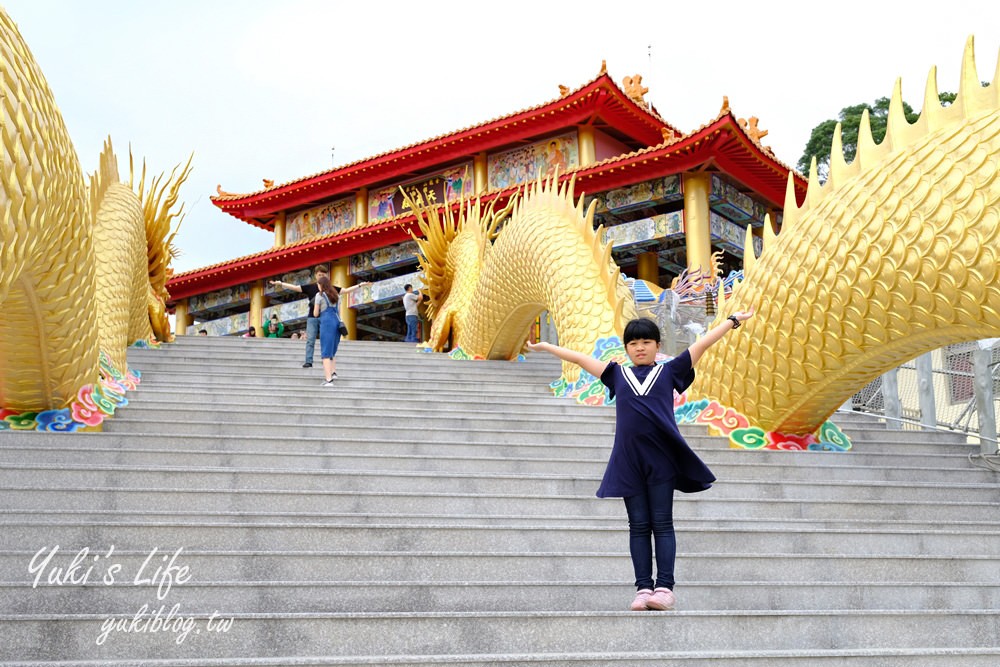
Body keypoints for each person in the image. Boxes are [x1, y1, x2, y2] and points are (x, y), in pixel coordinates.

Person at [526, 309, 754, 611]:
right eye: (633, 343)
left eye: (647, 341)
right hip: (628, 460)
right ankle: (643, 589)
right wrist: (545, 347)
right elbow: (580, 359)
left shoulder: (670, 370)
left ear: (657, 346)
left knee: (661, 523)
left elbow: (702, 344)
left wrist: (732, 321)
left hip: (661, 460)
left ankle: (665, 589)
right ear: (626, 348)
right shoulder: (617, 374)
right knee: (637, 525)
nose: (640, 347)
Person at [312, 276, 366, 385]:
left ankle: (328, 380)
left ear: (321, 285)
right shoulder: (336, 295)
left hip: (326, 323)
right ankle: (332, 374)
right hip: (337, 323)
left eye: (318, 285)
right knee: (332, 350)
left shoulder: (319, 295)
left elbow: (315, 314)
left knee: (326, 352)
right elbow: (339, 311)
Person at [271, 267, 329, 368]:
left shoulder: (330, 289)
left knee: (327, 340)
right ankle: (308, 361)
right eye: (319, 275)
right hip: (312, 317)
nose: (321, 277)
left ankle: (327, 361)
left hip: (326, 317)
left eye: (323, 275)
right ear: (315, 275)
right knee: (310, 340)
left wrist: (359, 285)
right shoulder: (311, 287)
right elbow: (295, 287)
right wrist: (281, 283)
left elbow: (344, 290)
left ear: (327, 276)